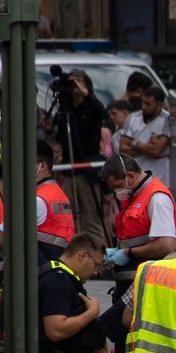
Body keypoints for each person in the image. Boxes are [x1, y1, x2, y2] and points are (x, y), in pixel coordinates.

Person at [50, 72, 110, 246]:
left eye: (78, 83)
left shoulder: (91, 109)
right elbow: (57, 135)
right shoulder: (66, 111)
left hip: (88, 170)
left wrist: (86, 94)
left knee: (91, 217)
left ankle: (99, 257)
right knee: (65, 215)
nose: (74, 87)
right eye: (71, 83)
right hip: (68, 169)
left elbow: (103, 113)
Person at [101, 153, 176, 274]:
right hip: (132, 278)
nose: (116, 191)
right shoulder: (133, 196)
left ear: (130, 176)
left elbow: (166, 245)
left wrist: (128, 252)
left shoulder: (157, 198)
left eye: (118, 186)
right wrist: (118, 249)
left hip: (146, 278)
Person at [118, 83, 175, 183]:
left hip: (160, 179)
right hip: (136, 179)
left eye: (148, 104)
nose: (144, 107)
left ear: (160, 105)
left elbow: (156, 151)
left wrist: (135, 143)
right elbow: (123, 149)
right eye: (143, 102)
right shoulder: (132, 118)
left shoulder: (168, 120)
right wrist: (148, 148)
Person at [32, 141, 77, 263]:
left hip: (41, 268)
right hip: (56, 266)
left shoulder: (38, 200)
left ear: (42, 166)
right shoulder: (59, 195)